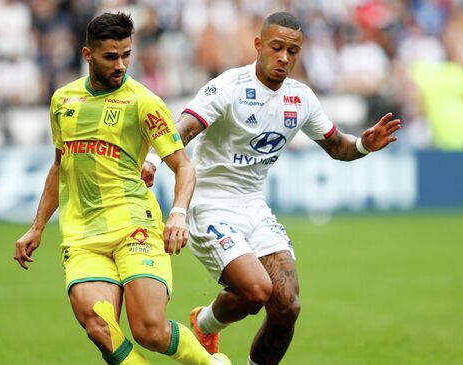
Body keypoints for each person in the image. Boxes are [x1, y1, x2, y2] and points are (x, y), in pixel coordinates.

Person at [142, 12, 401, 365]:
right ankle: (205, 324)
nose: (284, 57)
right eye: (276, 47)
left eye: (292, 51)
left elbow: (337, 146)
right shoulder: (229, 87)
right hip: (208, 204)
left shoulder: (301, 99)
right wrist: (154, 162)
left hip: (253, 206)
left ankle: (208, 326)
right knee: (256, 291)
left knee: (287, 306)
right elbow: (183, 129)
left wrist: (363, 145)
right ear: (258, 45)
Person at [12, 12, 230, 365]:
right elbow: (59, 166)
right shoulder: (62, 101)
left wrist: (177, 214)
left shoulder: (143, 102)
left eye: (126, 55)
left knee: (150, 331)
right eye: (110, 57)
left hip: (135, 227)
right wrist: (37, 226)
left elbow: (183, 166)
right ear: (87, 55)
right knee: (100, 328)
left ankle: (210, 363)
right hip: (82, 234)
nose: (121, 65)